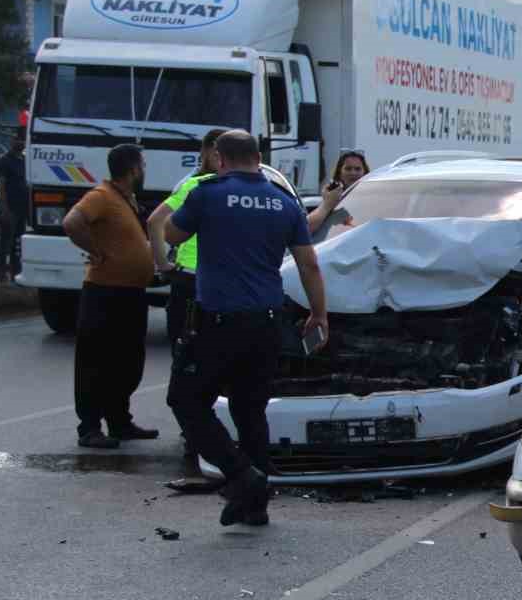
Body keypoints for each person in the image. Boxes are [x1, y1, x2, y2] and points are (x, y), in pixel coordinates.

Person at [156, 131, 328, 527]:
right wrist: (319, 314)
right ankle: (256, 506)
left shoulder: (207, 193)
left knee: (186, 400)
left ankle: (241, 475)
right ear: (259, 158)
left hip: (217, 323)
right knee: (250, 411)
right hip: (266, 324)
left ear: (219, 158)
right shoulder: (284, 203)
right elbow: (309, 264)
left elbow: (172, 234)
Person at [61, 143, 158, 449]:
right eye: (142, 166)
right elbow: (71, 223)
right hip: (104, 292)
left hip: (130, 293)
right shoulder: (101, 196)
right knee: (96, 362)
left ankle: (120, 421)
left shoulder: (125, 199)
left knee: (127, 361)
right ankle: (89, 427)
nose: (144, 171)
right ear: (132, 170)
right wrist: (96, 250)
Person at [148, 128, 225, 346]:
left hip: (187, 278)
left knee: (184, 353)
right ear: (210, 152)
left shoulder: (191, 184)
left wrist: (162, 264)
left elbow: (154, 221)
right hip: (221, 280)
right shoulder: (238, 189)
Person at [0, 136, 29, 285]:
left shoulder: (25, 161)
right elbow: (1, 186)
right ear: (11, 142)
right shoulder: (4, 161)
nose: (19, 142)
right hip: (9, 209)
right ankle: (1, 276)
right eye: (16, 140)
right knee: (4, 244)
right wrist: (4, 208)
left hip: (22, 209)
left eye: (21, 140)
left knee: (17, 244)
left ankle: (16, 275)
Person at [308, 149, 369, 235]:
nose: (353, 173)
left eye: (357, 169)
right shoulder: (332, 198)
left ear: (365, 173)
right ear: (339, 173)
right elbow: (305, 229)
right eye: (348, 169)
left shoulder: (371, 198)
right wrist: (327, 204)